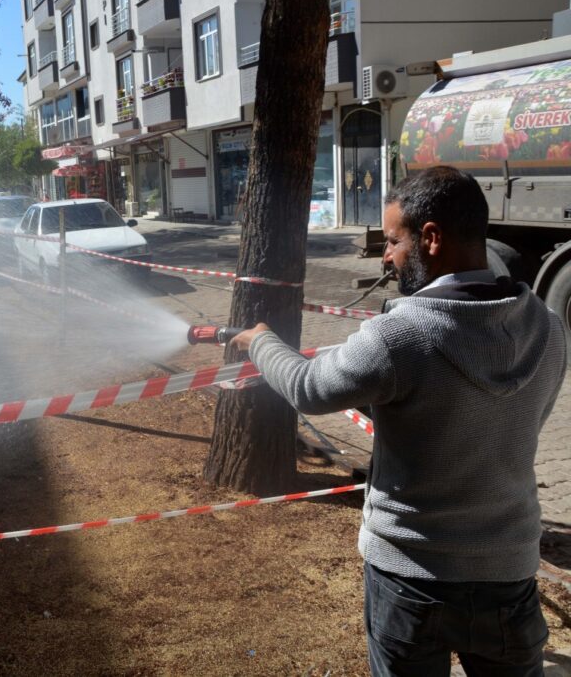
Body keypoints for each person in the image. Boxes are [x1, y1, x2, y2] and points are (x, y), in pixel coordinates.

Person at [229, 166, 566, 675]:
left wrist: (260, 342)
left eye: (392, 241)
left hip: (411, 578)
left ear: (430, 238)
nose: (386, 257)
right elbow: (495, 415)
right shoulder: (551, 327)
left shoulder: (398, 335)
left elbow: (308, 388)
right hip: (508, 574)